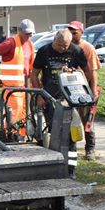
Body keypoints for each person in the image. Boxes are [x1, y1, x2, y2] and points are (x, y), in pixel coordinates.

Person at [30, 29, 96, 177]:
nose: (63, 49)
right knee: (53, 132)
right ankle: (54, 165)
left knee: (71, 135)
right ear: (54, 40)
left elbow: (88, 71)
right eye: (60, 45)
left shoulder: (76, 50)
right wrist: (40, 95)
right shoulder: (44, 51)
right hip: (49, 96)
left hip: (69, 98)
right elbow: (34, 74)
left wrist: (81, 85)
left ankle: (70, 170)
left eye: (66, 46)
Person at [0, 19, 36, 137]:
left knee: (23, 117)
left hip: (25, 90)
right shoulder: (10, 43)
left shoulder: (30, 45)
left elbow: (31, 68)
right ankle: (8, 139)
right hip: (11, 90)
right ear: (19, 31)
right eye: (27, 33)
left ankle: (21, 138)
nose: (29, 36)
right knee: (12, 118)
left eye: (31, 34)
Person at [68, 21, 100, 160]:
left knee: (87, 121)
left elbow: (93, 71)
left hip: (84, 89)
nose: (72, 34)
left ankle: (90, 149)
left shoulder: (87, 48)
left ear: (82, 32)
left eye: (75, 32)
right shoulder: (66, 47)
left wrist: (92, 92)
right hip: (69, 89)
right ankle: (70, 147)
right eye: (70, 32)